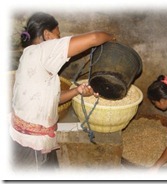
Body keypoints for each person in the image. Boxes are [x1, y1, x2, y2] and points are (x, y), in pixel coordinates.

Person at [10, 12, 116, 171]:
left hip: (32, 139)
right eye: (58, 35)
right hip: (32, 146)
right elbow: (95, 38)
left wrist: (76, 91)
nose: (59, 40)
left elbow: (52, 99)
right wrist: (112, 38)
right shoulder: (42, 50)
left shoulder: (29, 55)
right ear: (47, 35)